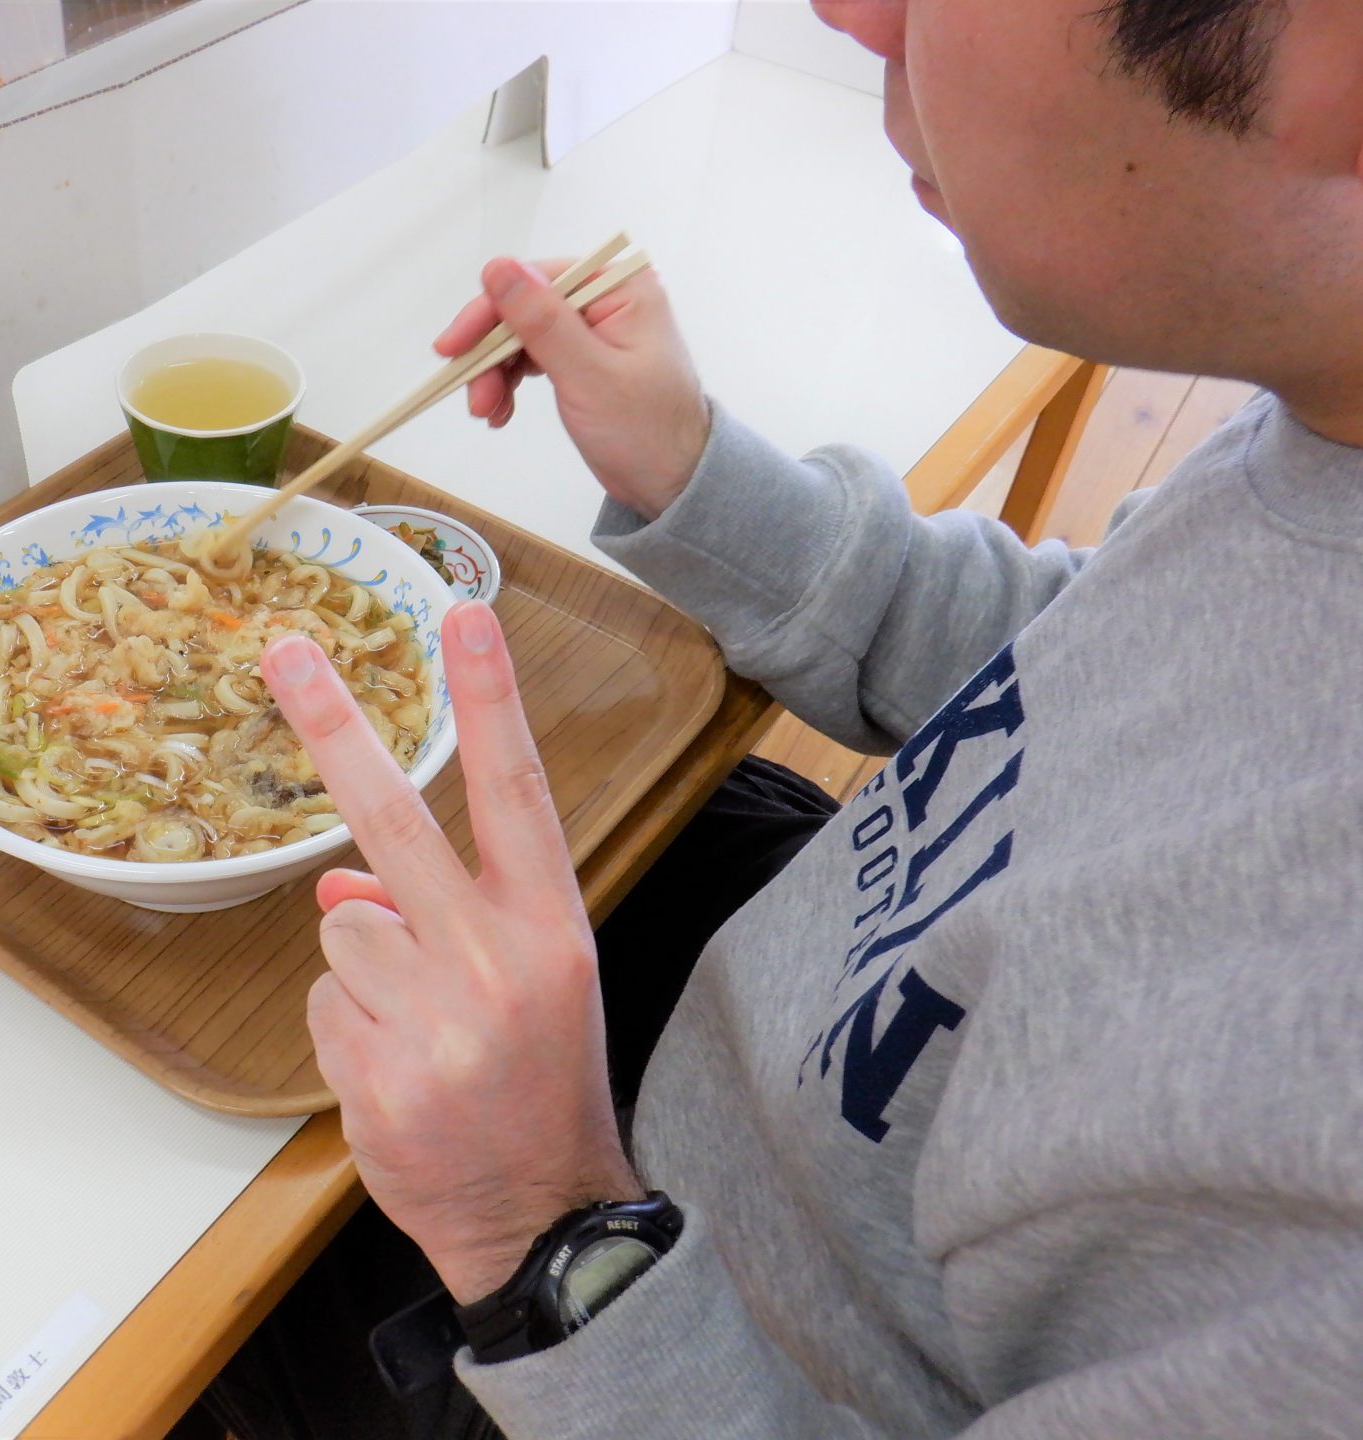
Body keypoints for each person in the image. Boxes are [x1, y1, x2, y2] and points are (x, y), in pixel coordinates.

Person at [200, 1, 1363, 1436]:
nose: (845, 13)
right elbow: (1089, 655)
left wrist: (543, 1227)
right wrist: (697, 472)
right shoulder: (1328, 423)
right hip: (769, 1012)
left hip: (635, 1335)